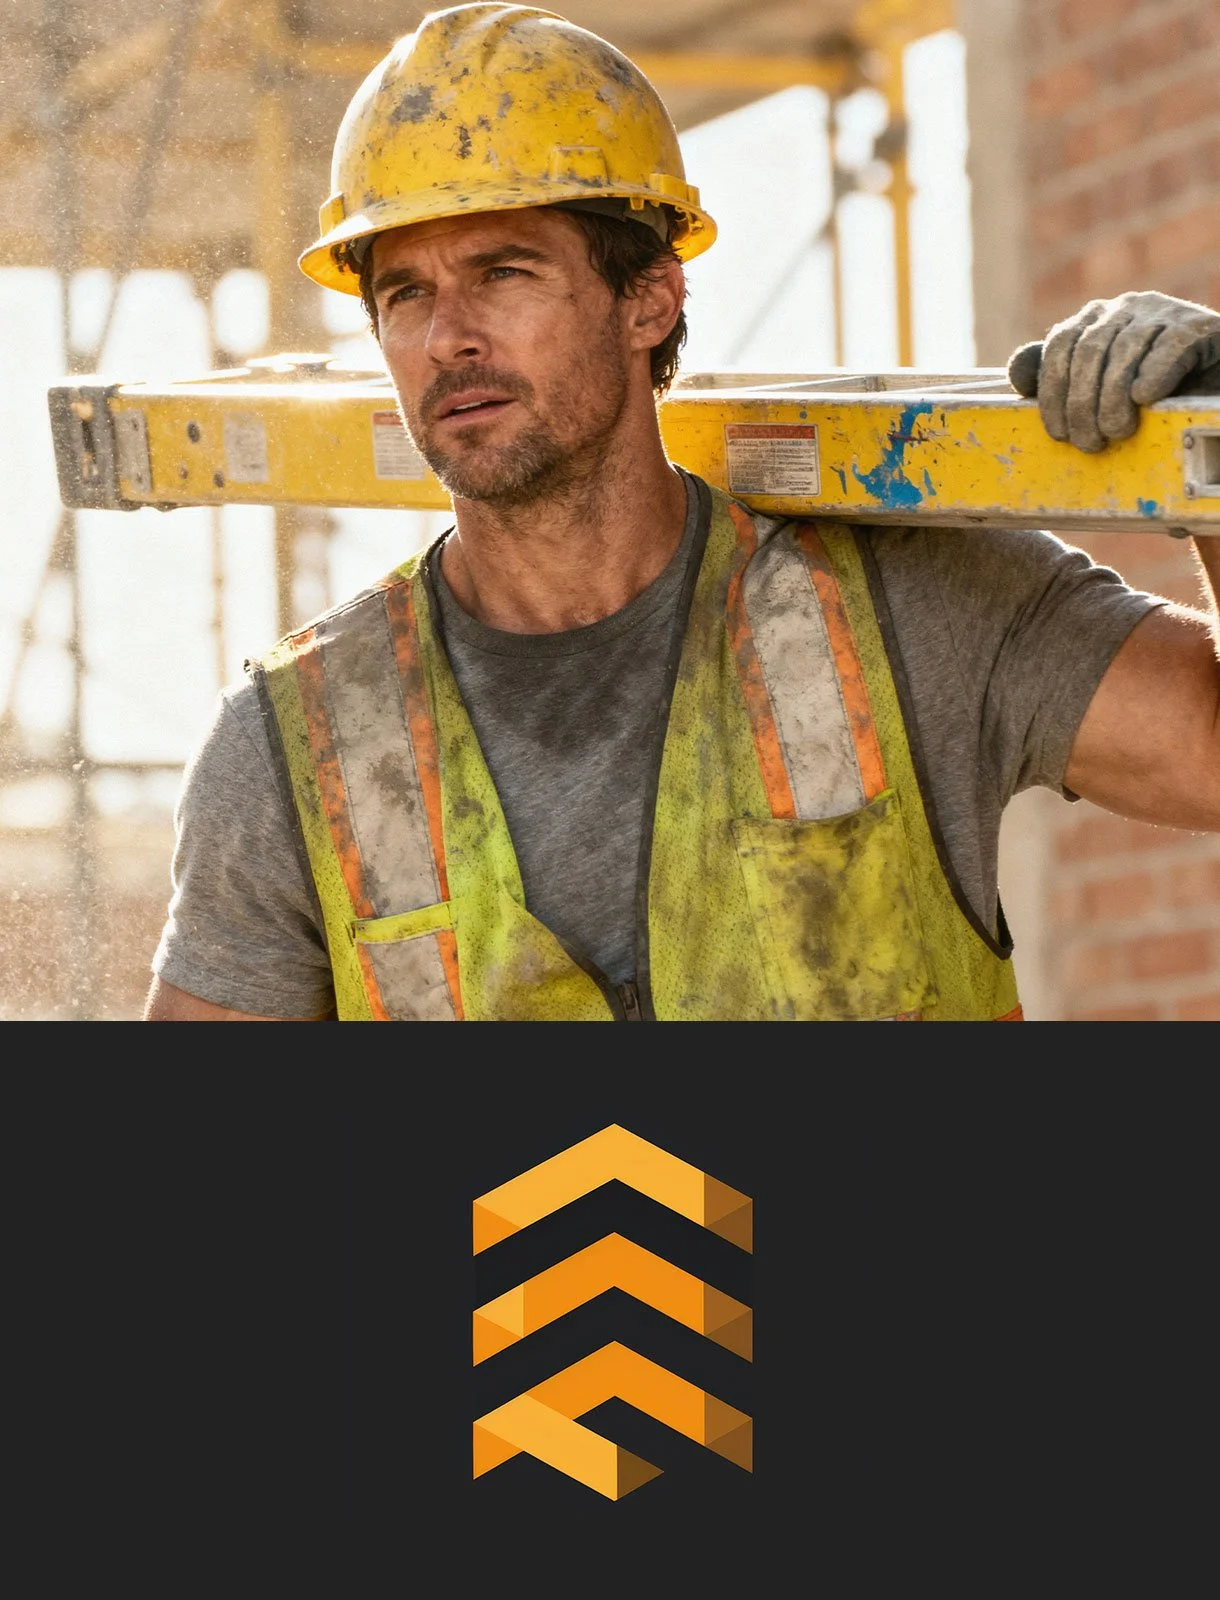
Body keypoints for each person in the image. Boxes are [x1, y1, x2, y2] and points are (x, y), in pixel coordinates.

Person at [143, 3, 1220, 1022]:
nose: (446, 337)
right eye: (404, 293)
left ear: (649, 297)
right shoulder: (301, 744)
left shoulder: (908, 616)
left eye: (501, 270)